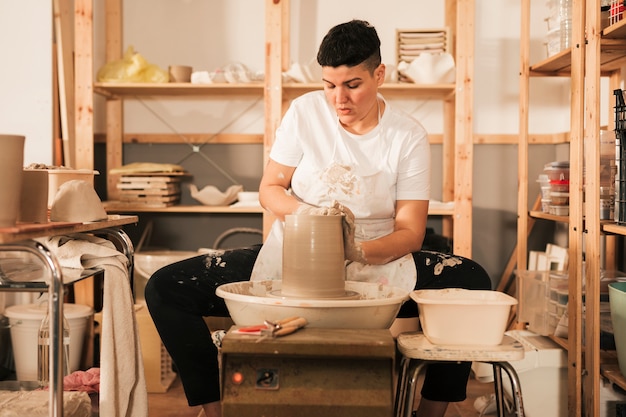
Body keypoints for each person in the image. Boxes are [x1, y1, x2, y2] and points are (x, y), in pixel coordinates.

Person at [145, 19, 491, 417]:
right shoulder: (305, 111)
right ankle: (216, 409)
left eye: (352, 85)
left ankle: (429, 411)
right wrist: (312, 217)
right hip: (294, 257)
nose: (338, 99)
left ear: (379, 75)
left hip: (374, 260)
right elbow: (270, 189)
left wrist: (356, 250)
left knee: (471, 281)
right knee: (165, 288)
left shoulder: (406, 135)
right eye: (329, 85)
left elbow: (411, 232)